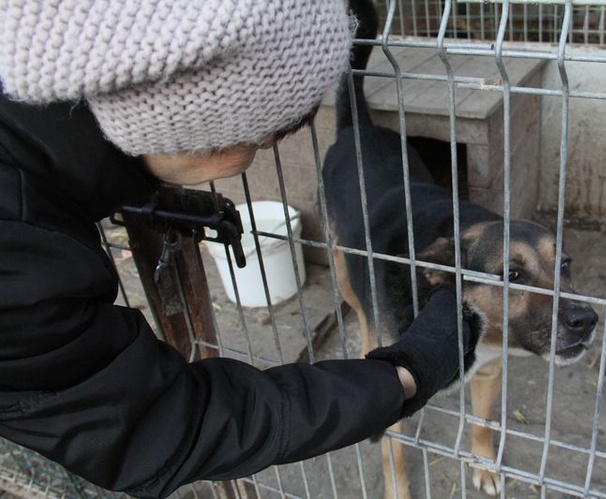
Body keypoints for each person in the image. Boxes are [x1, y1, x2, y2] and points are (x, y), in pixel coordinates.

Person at [0, 1, 471, 497]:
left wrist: (152, 201)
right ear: (195, 131)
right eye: (270, 134)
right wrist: (404, 375)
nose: (263, 148)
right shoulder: (18, 263)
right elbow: (156, 425)